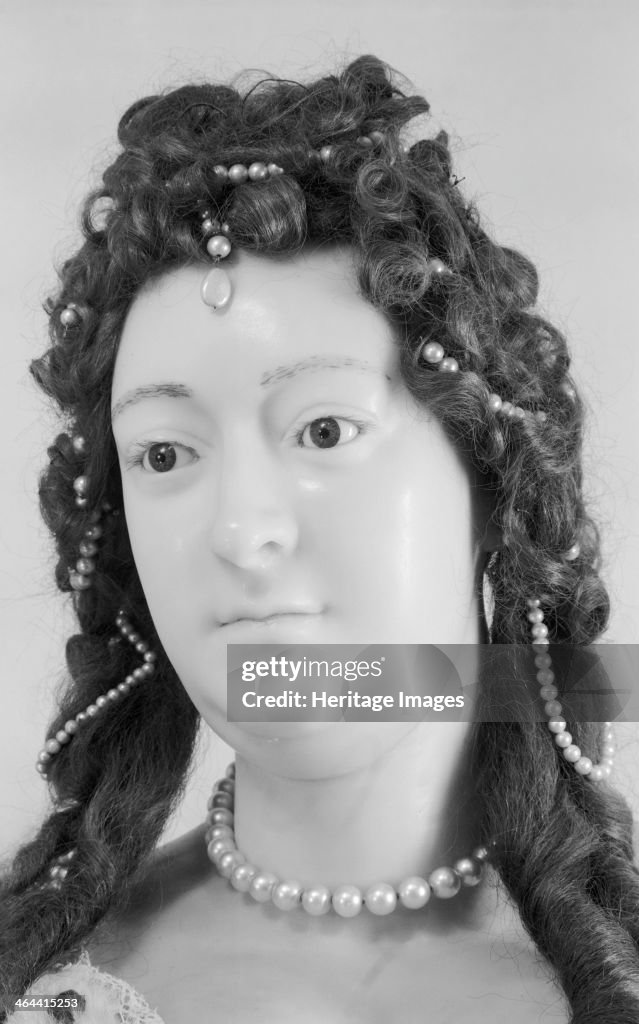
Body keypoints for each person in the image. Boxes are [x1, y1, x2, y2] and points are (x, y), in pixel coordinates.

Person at [1, 53, 638, 1023]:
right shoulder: (49, 986)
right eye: (166, 455)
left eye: (324, 430)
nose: (241, 531)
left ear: (487, 479)